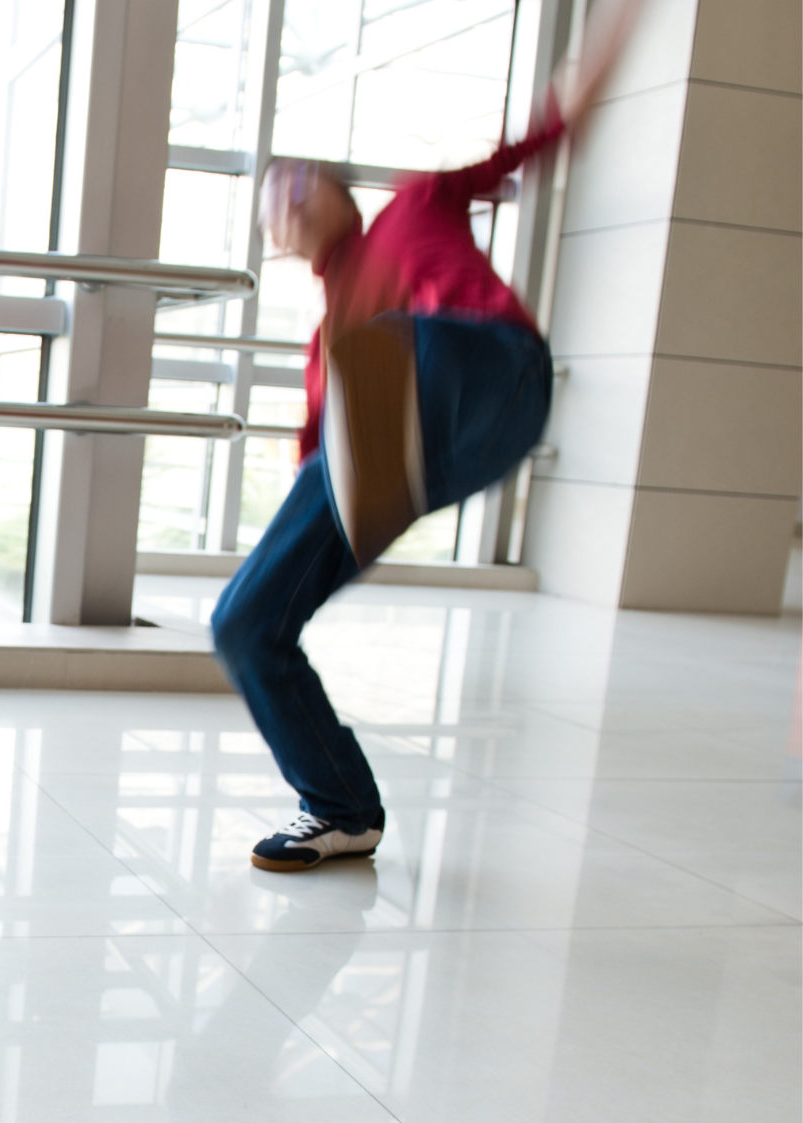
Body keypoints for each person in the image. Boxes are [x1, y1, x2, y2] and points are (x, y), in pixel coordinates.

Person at [212, 0, 646, 873]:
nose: (292, 202)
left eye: (301, 183)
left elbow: (543, 134)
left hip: (493, 374)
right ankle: (339, 806)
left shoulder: (418, 205)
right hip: (432, 449)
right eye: (276, 207)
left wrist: (615, 34)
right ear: (278, 240)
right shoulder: (332, 349)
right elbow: (324, 479)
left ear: (339, 190)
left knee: (379, 350)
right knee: (243, 623)